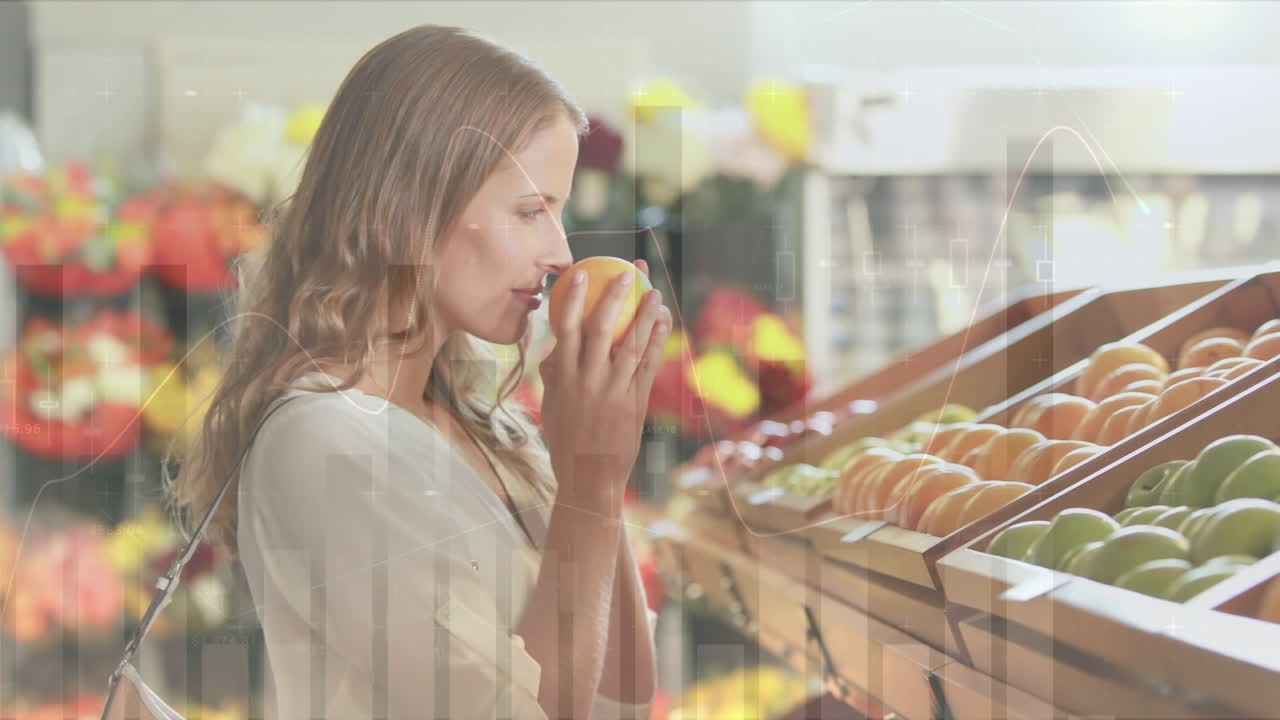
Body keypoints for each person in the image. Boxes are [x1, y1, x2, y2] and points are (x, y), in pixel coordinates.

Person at [167, 25, 671, 720]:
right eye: (531, 211)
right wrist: (587, 479)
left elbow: (625, 700)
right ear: (410, 208)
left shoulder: (487, 423)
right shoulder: (326, 444)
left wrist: (599, 478)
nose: (560, 252)